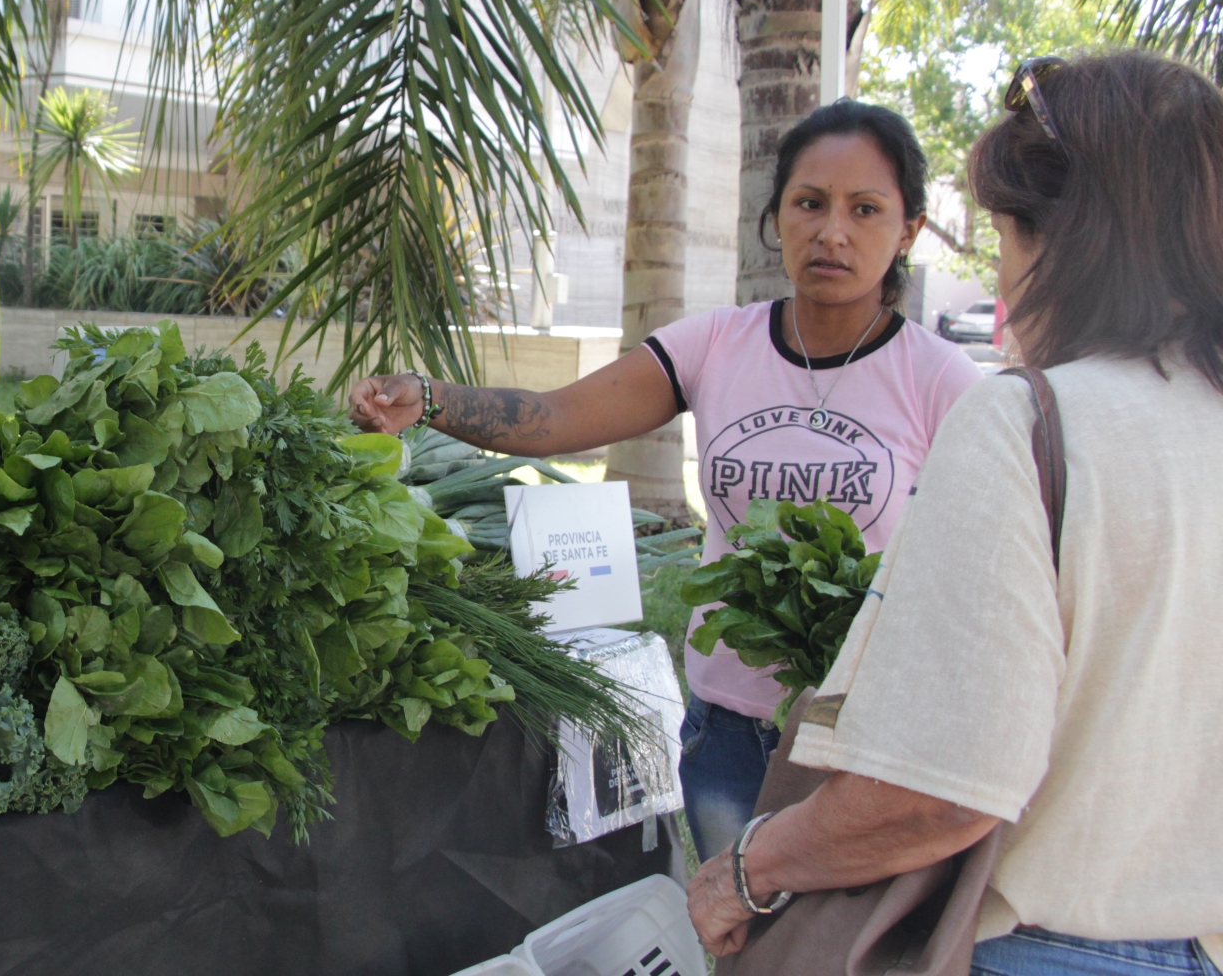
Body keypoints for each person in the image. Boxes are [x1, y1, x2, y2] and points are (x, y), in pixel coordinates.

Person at [685, 50, 1223, 975]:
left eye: (1005, 235)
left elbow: (941, 789)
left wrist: (746, 869)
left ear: (1067, 239)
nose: (1005, 279)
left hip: (1037, 943)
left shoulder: (1030, 421)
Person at [347, 101, 982, 860]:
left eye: (866, 209)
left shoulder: (941, 380)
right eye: (810, 203)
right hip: (728, 729)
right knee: (734, 919)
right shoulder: (720, 343)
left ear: (909, 230)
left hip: (862, 734)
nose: (832, 231)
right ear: (776, 216)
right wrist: (429, 399)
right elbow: (558, 416)